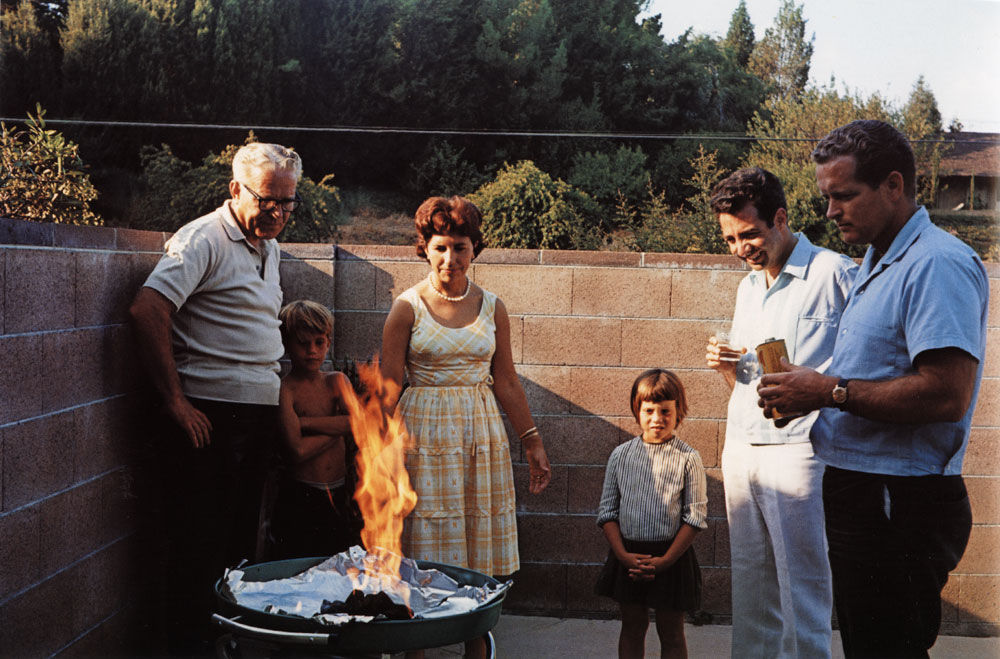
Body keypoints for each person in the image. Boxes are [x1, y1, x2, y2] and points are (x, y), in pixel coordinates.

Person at [757, 120, 988, 658]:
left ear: (893, 185)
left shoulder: (936, 263)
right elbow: (877, 368)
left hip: (897, 499)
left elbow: (946, 394)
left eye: (844, 195)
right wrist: (805, 389)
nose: (831, 211)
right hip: (865, 490)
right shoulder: (878, 260)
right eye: (827, 197)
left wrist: (828, 392)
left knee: (888, 648)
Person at [128, 142, 302, 655]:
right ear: (235, 189)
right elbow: (147, 310)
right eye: (267, 199)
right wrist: (175, 402)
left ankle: (225, 642)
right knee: (198, 545)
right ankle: (191, 648)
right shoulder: (203, 238)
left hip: (257, 413)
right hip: (210, 416)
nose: (277, 212)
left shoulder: (269, 247)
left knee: (239, 544)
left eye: (287, 202)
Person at [380, 195, 551, 659]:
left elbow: (507, 380)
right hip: (422, 438)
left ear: (475, 248)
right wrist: (376, 453)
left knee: (478, 548)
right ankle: (415, 648)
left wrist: (532, 440)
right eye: (440, 247)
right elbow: (387, 390)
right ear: (425, 248)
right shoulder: (406, 308)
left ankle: (476, 645)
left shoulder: (493, 306)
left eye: (460, 247)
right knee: (421, 546)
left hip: (480, 436)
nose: (449, 258)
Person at [704, 167, 857, 658]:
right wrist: (728, 367)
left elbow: (864, 361)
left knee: (802, 588)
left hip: (799, 451)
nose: (740, 249)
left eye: (749, 234)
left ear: (781, 219)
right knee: (750, 586)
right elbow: (748, 382)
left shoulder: (833, 273)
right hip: (741, 447)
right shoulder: (748, 287)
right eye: (730, 239)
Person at [595, 369, 707, 659]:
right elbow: (607, 512)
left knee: (671, 631)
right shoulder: (620, 455)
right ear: (637, 410)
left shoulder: (688, 458)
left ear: (678, 411)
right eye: (649, 410)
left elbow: (695, 517)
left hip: (672, 557)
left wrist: (666, 561)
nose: (657, 418)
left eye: (665, 411)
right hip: (629, 555)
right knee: (632, 626)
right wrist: (623, 555)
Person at [270, 299, 363, 559]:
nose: (312, 350)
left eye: (319, 342)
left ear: (328, 343)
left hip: (338, 492)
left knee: (335, 563)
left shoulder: (337, 382)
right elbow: (297, 451)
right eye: (303, 343)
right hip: (301, 494)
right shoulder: (286, 389)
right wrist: (339, 427)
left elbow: (359, 425)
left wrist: (305, 422)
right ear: (287, 344)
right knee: (299, 562)